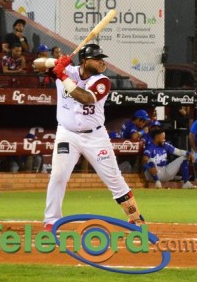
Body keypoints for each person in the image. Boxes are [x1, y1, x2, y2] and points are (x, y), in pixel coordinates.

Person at [43, 43, 145, 231]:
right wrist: (54, 62)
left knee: (113, 178)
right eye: (97, 59)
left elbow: (85, 98)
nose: (101, 62)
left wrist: (62, 75)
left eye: (102, 59)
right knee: (58, 176)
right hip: (67, 133)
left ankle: (135, 217)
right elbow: (36, 63)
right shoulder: (68, 70)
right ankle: (51, 220)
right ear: (84, 61)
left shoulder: (102, 81)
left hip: (95, 136)